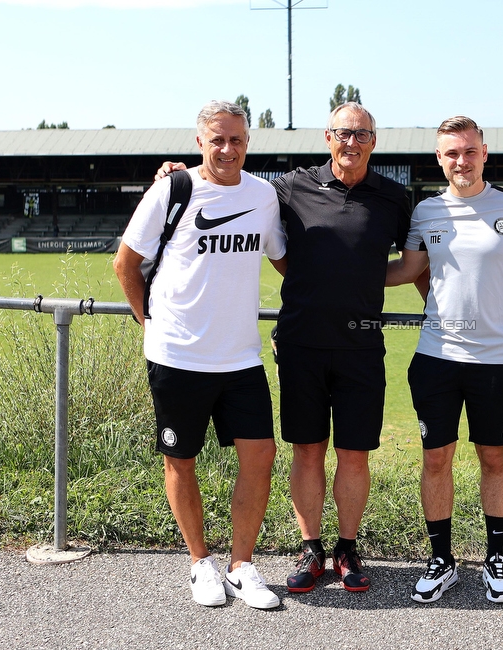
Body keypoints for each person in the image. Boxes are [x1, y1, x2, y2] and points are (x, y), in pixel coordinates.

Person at [157, 101, 411, 593]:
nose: (351, 143)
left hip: (362, 344)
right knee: (307, 450)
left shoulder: (394, 198)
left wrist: (362, 282)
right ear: (327, 137)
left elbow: (416, 259)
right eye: (343, 133)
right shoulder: (290, 189)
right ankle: (311, 547)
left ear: (374, 142)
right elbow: (229, 188)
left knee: (354, 454)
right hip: (301, 344)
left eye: (361, 135)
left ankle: (347, 546)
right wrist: (174, 171)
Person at [113, 100, 287, 610]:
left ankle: (242, 565)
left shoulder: (264, 196)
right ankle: (199, 564)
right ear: (199, 143)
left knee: (261, 456)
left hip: (240, 359)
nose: (227, 149)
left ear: (248, 142)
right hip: (177, 356)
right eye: (217, 140)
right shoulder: (171, 189)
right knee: (180, 460)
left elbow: (282, 259)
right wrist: (149, 322)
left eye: (236, 139)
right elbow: (126, 263)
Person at [386, 116, 503, 604]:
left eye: (469, 151)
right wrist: (342, 267)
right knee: (437, 458)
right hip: (435, 358)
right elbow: (409, 271)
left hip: (494, 362)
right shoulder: (426, 213)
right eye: (451, 153)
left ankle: (496, 558)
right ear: (440, 158)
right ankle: (441, 559)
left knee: (493, 457)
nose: (462, 160)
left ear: (484, 152)